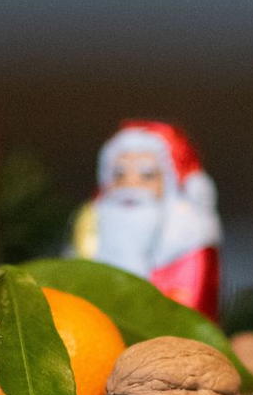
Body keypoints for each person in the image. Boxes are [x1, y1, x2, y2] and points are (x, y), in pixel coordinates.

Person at [72, 120, 221, 318]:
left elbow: (192, 300)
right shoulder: (92, 225)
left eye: (147, 175)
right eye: (119, 174)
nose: (131, 184)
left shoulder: (186, 238)